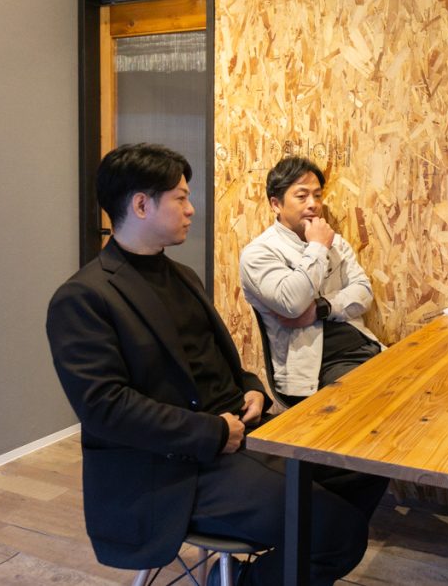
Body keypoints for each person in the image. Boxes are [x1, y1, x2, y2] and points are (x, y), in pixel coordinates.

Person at [47, 143, 385, 586]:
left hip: (240, 435)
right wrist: (213, 433)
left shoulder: (182, 276)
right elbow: (105, 409)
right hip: (171, 469)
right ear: (142, 205)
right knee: (339, 533)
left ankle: (290, 564)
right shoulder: (84, 298)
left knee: (365, 467)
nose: (191, 209)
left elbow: (217, 363)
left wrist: (251, 388)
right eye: (180, 198)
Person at [240, 156, 382, 405]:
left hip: (364, 346)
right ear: (276, 204)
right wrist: (317, 246)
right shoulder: (259, 253)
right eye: (302, 196)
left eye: (317, 195)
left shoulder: (335, 242)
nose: (313, 204)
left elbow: (363, 292)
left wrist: (321, 308)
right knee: (377, 398)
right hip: (317, 370)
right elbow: (292, 303)